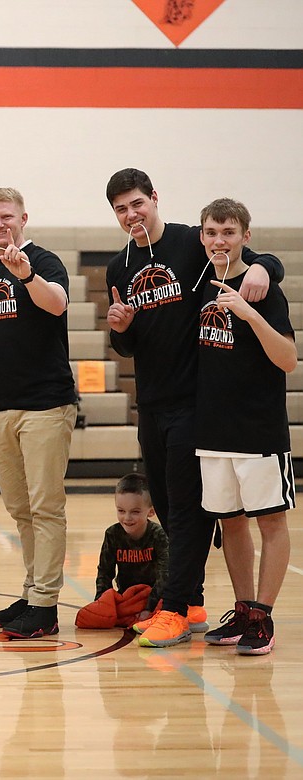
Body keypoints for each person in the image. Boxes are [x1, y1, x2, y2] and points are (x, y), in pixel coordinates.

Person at [103, 168, 283, 647]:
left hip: (194, 404)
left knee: (187, 513)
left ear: (154, 199)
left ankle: (176, 607)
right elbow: (126, 347)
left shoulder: (189, 244)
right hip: (152, 403)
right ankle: (194, 602)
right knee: (168, 507)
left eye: (137, 203)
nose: (131, 215)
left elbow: (246, 253)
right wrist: (120, 328)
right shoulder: (119, 267)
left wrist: (266, 267)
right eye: (121, 209)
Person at [193, 199, 294, 655]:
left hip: (258, 429)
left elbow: (288, 360)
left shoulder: (265, 289)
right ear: (202, 236)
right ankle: (243, 610)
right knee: (230, 523)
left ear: (245, 238)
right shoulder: (200, 284)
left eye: (229, 232)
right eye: (212, 232)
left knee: (270, 521)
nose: (220, 240)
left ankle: (265, 617)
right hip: (212, 430)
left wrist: (250, 313)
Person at [0, 187, 77, 640]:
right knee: (20, 510)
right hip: (4, 410)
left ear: (23, 218)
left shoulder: (45, 261)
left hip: (45, 405)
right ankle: (33, 590)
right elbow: (1, 350)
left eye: (6, 217)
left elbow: (56, 303)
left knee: (45, 508)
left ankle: (46, 605)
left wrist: (29, 274)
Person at [75, 473, 168, 630]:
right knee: (89, 617)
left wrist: (148, 608)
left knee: (167, 606)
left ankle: (151, 618)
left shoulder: (159, 535)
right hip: (126, 598)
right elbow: (104, 573)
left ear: (150, 512)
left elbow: (165, 576)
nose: (127, 518)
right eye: (121, 511)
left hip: (154, 596)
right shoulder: (112, 534)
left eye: (135, 512)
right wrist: (102, 604)